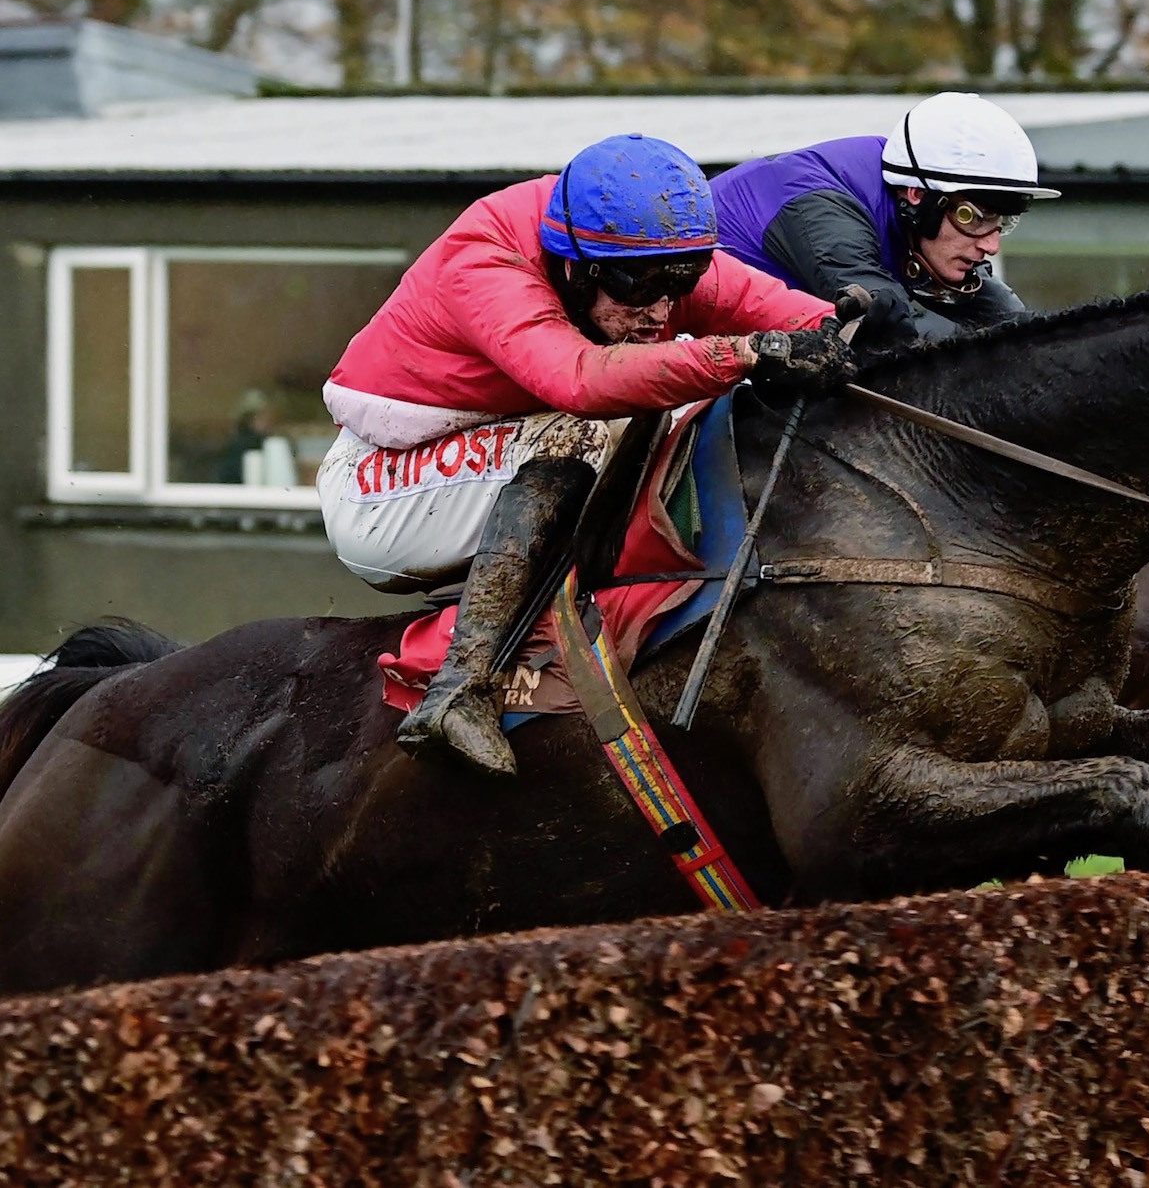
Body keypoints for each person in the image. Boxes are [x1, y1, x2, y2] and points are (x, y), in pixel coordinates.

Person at [318, 133, 857, 778]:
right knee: (602, 424)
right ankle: (462, 685)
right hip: (380, 488)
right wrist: (743, 355)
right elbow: (581, 380)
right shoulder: (487, 257)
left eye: (679, 282)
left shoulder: (637, 243)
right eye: (640, 288)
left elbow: (803, 320)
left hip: (490, 447)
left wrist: (856, 337)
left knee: (668, 406)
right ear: (575, 266)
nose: (661, 308)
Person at [712, 91, 1060, 344]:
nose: (992, 246)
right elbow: (896, 328)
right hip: (680, 324)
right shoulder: (822, 213)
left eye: (1002, 223)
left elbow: (1004, 316)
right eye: (973, 218)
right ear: (918, 195)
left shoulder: (920, 204)